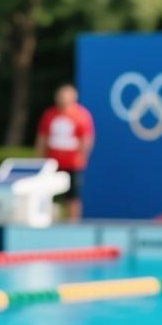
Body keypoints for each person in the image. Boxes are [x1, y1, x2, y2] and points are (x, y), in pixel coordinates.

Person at [35, 83, 94, 222]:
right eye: (60, 96)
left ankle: (72, 222)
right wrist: (38, 158)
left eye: (64, 96)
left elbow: (87, 139)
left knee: (72, 196)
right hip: (52, 162)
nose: (61, 99)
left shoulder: (81, 115)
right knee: (46, 193)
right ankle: (47, 220)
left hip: (72, 163)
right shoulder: (50, 114)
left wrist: (81, 157)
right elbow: (42, 137)